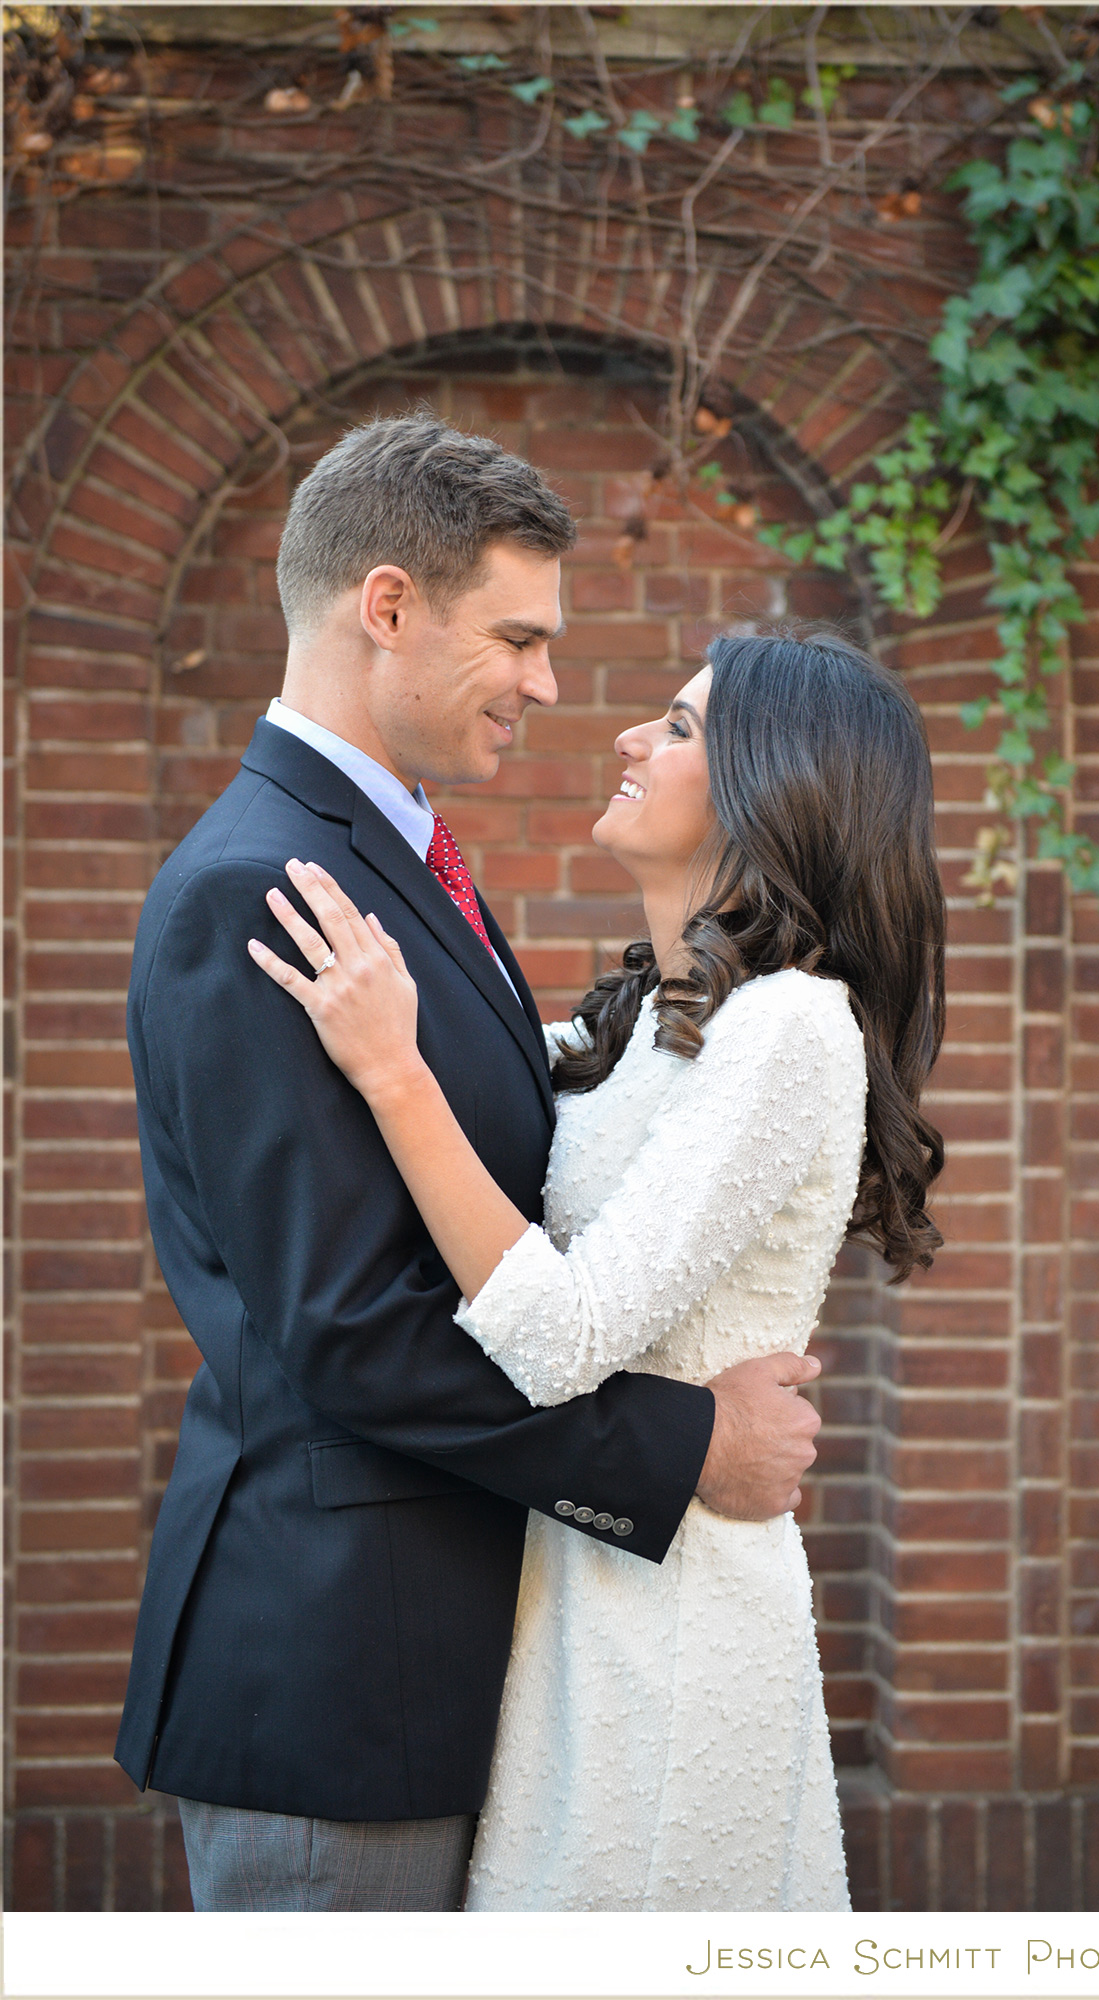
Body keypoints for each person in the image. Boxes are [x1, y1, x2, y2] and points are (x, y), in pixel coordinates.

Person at [115, 416, 827, 1914]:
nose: (552, 685)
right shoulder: (257, 888)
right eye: (517, 636)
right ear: (387, 609)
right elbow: (351, 1333)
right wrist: (683, 1447)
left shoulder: (403, 856)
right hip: (341, 1685)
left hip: (465, 1673)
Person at [251, 626, 947, 1911]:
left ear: (772, 787)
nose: (629, 736)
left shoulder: (791, 1024)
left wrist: (391, 1069)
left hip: (668, 1630)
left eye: (678, 727)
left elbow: (563, 1334)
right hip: (564, 1605)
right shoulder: (625, 1026)